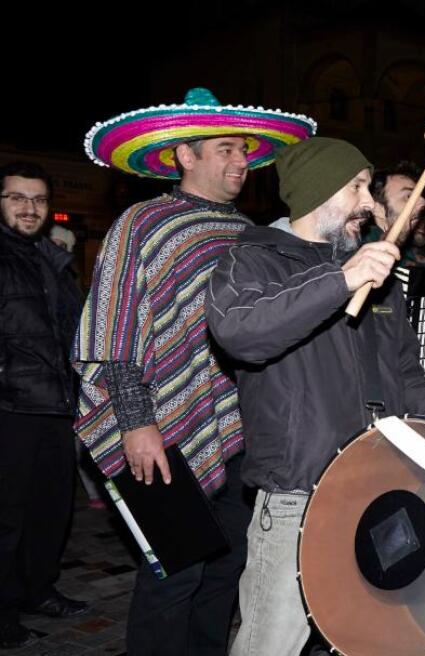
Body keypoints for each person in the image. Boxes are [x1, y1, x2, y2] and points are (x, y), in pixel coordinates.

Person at [73, 87, 315, 655]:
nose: (241, 164)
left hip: (238, 432)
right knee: (173, 574)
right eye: (227, 149)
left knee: (224, 571)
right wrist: (135, 422)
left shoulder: (249, 233)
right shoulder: (144, 223)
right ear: (186, 155)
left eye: (246, 153)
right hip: (161, 429)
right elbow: (114, 325)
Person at [205, 137, 425, 656]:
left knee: (363, 639)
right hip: (297, 495)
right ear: (317, 193)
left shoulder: (377, 275)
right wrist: (342, 279)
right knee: (269, 644)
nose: (370, 203)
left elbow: (407, 380)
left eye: (370, 188)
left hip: (378, 489)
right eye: (356, 188)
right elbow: (240, 333)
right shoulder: (253, 262)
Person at [0, 162, 87, 648]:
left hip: (56, 406)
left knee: (51, 511)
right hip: (10, 409)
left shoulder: (51, 258)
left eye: (37, 199)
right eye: (16, 198)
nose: (28, 208)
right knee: (7, 518)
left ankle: (39, 590)